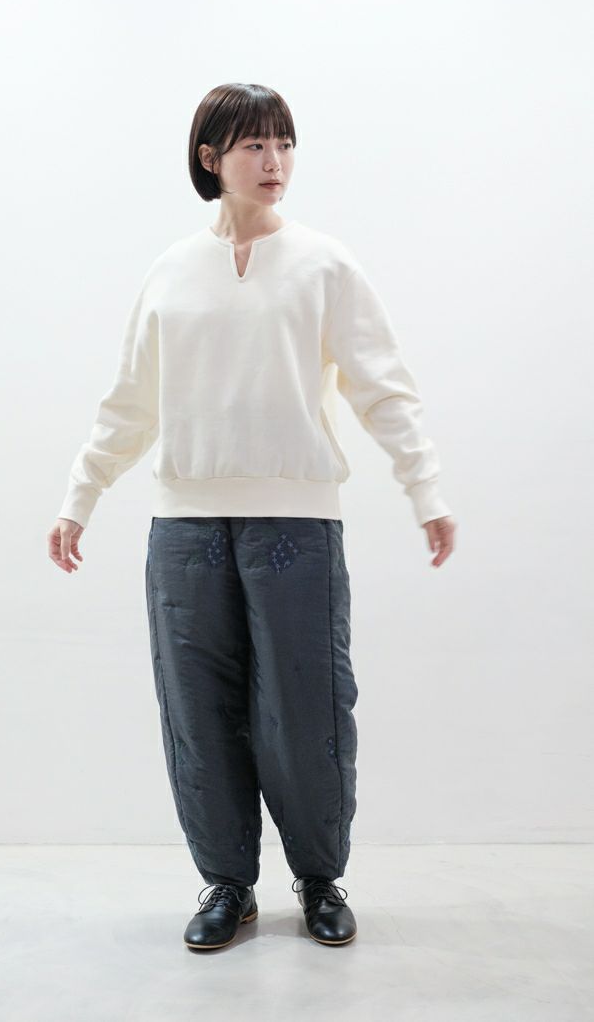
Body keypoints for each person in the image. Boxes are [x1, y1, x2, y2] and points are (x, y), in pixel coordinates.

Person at [47, 82, 457, 951]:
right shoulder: (171, 270)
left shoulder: (324, 265)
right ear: (211, 158)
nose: (274, 162)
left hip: (295, 525)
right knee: (197, 712)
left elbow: (383, 388)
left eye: (284, 144)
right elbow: (131, 402)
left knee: (308, 708)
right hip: (185, 525)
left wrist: (425, 492)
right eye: (254, 146)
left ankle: (319, 880)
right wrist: (81, 498)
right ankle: (226, 884)